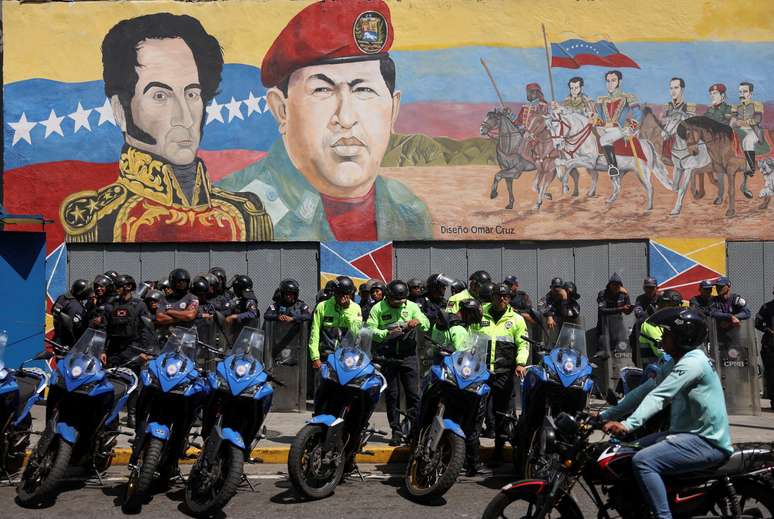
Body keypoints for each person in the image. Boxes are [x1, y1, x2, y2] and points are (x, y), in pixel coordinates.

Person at [221, 0, 432, 241]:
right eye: (322, 90)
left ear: (393, 109)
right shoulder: (232, 215)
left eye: (363, 90)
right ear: (281, 110)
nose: (345, 118)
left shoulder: (409, 211)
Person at [59, 13, 272, 243]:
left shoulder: (244, 215)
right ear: (120, 110)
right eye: (160, 95)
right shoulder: (100, 219)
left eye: (192, 94)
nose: (185, 117)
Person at [601, 307, 732, 519]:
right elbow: (646, 390)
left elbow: (660, 396)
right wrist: (606, 415)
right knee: (624, 450)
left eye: (668, 333)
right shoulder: (675, 361)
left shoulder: (693, 362)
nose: (662, 336)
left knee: (643, 460)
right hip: (684, 434)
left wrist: (628, 424)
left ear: (683, 336)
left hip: (706, 441)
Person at [367, 280, 430, 446]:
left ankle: (414, 430)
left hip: (409, 356)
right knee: (392, 395)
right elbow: (370, 330)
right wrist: (386, 333)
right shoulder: (378, 308)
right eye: (396, 301)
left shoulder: (412, 307)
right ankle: (396, 430)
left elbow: (427, 324)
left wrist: (418, 322)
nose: (400, 304)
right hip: (388, 357)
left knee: (413, 395)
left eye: (402, 301)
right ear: (389, 297)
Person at [480, 284, 529, 465]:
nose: (502, 299)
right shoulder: (480, 313)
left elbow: (523, 344)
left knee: (502, 413)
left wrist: (520, 363)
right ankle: (472, 457)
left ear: (509, 298)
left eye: (505, 296)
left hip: (504, 372)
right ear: (492, 296)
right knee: (477, 411)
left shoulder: (516, 319)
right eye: (498, 295)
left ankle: (499, 452)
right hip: (480, 372)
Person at [105, 275, 155, 427]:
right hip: (113, 350)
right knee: (111, 385)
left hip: (132, 349)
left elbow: (145, 330)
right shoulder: (111, 304)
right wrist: (102, 350)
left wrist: (144, 351)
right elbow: (104, 328)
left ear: (127, 287)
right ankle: (112, 419)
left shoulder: (139, 305)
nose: (117, 289)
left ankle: (132, 415)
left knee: (132, 385)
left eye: (119, 286)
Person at [594, 70, 642, 177]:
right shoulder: (601, 100)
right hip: (604, 129)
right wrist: (597, 123)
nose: (610, 84)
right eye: (608, 81)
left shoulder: (627, 97)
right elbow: (598, 116)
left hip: (620, 130)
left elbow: (638, 113)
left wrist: (630, 126)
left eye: (613, 80)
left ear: (619, 82)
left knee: (604, 139)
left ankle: (613, 167)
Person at [308, 276, 363, 371]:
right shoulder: (322, 306)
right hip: (325, 356)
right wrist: (315, 357)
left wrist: (346, 309)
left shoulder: (356, 308)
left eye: (345, 295)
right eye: (339, 294)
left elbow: (356, 332)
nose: (342, 297)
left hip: (347, 358)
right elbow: (314, 332)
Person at [730, 82, 767, 179]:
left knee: (747, 141)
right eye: (740, 92)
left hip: (753, 130)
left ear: (751, 93)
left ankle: (751, 167)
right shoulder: (736, 107)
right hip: (739, 130)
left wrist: (745, 122)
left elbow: (757, 120)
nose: (742, 94)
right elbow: (732, 123)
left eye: (745, 91)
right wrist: (736, 123)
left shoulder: (757, 105)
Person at [155, 268, 198, 339]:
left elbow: (190, 315)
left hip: (187, 338)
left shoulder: (192, 298)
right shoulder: (164, 299)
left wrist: (169, 311)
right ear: (173, 282)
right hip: (168, 338)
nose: (182, 285)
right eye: (179, 282)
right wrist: (182, 316)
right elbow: (160, 318)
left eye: (184, 282)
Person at [52, 279, 90, 347]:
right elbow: (76, 327)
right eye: (87, 292)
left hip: (57, 338)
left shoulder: (62, 297)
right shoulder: (76, 306)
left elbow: (52, 310)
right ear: (81, 293)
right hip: (69, 343)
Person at [754, 285, 774, 410]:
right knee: (772, 374)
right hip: (770, 346)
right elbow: (757, 323)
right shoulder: (767, 307)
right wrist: (768, 330)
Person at [225, 275, 260, 339]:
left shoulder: (250, 300)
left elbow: (253, 314)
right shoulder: (241, 300)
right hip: (237, 335)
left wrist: (235, 316)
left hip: (247, 338)